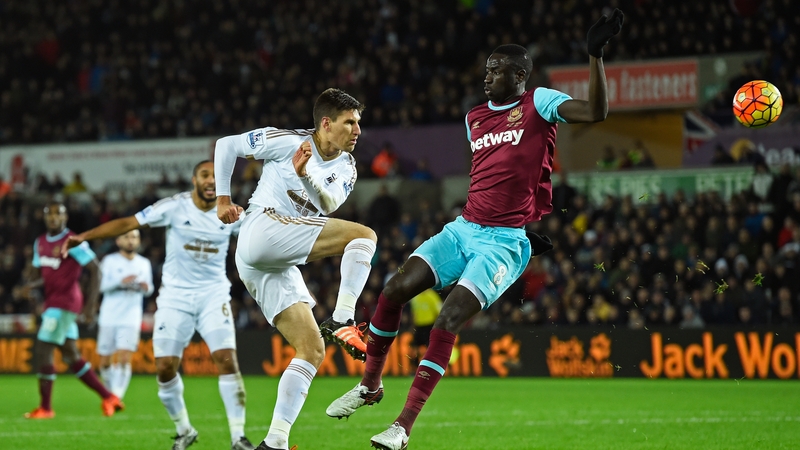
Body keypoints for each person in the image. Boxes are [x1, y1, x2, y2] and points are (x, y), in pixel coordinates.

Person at [325, 9, 624, 450]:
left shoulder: (537, 102)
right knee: (392, 291)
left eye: (497, 69)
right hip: (464, 229)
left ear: (521, 74)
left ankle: (402, 427)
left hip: (500, 243)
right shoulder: (475, 118)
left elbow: (596, 112)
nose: (487, 77)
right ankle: (370, 386)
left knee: (446, 320)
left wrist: (595, 57)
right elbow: (496, 175)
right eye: (486, 69)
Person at [214, 88, 377, 450]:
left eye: (358, 123)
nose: (357, 130)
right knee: (364, 236)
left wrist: (304, 177)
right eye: (349, 122)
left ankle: (275, 441)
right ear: (326, 123)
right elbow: (227, 145)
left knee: (311, 349)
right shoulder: (285, 140)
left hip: (272, 259)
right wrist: (223, 199)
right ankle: (342, 318)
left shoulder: (346, 166)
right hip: (262, 228)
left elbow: (328, 203)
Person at [63, 161, 255, 450]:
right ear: (194, 180)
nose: (211, 181)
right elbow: (129, 223)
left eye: (216, 177)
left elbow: (262, 238)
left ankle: (238, 437)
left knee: (227, 361)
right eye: (205, 175)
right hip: (175, 297)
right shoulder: (174, 206)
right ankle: (185, 430)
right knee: (165, 367)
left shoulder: (231, 214)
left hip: (213, 295)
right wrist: (85, 236)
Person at [25, 201, 123, 419]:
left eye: (57, 214)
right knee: (71, 355)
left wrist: (90, 307)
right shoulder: (39, 242)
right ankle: (109, 397)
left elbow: (95, 270)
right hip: (53, 303)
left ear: (65, 218)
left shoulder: (73, 242)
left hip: (66, 303)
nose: (53, 218)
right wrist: (28, 286)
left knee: (43, 350)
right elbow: (44, 275)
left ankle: (46, 408)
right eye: (49, 214)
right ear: (44, 218)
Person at [96, 229, 153, 400]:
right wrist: (121, 281)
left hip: (131, 318)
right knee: (105, 362)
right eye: (127, 237)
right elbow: (101, 286)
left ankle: (116, 397)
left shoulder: (144, 263)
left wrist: (145, 287)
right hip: (109, 316)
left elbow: (150, 289)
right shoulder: (109, 261)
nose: (131, 241)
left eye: (134, 237)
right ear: (118, 241)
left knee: (124, 357)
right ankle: (110, 391)